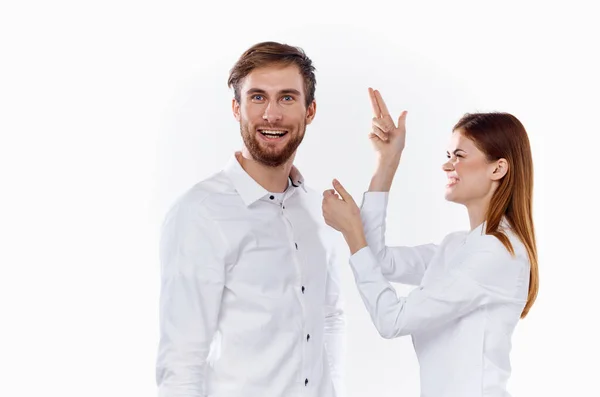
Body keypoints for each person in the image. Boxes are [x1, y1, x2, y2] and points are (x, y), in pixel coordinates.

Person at [156, 41, 346, 397]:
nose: (271, 115)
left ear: (310, 110)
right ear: (236, 108)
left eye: (287, 98)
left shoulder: (318, 212)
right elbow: (181, 362)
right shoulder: (200, 214)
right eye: (257, 97)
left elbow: (330, 318)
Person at [322, 88, 538, 396]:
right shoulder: (459, 246)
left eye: (460, 156)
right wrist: (386, 162)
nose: (447, 165)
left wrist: (352, 234)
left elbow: (391, 319)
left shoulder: (498, 254)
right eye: (448, 156)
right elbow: (379, 260)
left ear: (498, 168)